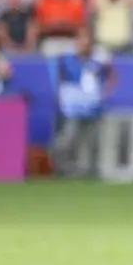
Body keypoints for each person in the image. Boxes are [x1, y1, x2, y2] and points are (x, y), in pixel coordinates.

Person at [53, 30, 109, 177]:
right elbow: (59, 80)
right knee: (68, 139)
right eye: (82, 41)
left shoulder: (98, 60)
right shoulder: (67, 59)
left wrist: (104, 93)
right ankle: (63, 171)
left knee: (93, 142)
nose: (84, 45)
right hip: (72, 108)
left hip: (93, 107)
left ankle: (92, 171)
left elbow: (110, 76)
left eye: (87, 42)